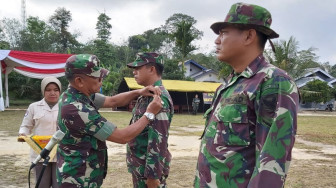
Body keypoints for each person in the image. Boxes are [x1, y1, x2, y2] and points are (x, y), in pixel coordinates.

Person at [194, 3, 299, 188]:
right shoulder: (229, 84)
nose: (217, 41)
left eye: (224, 32)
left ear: (249, 36)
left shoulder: (273, 82)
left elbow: (272, 160)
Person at [56, 54, 163, 188]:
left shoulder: (77, 95)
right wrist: (149, 114)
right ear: (79, 81)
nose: (101, 80)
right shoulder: (76, 109)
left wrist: (139, 92)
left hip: (83, 174)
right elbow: (122, 136)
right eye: (97, 77)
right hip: (77, 179)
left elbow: (112, 100)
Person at [126, 52, 174, 188]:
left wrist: (153, 175)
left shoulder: (159, 98)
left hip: (147, 171)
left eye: (138, 68)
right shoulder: (146, 94)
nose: (134, 72)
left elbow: (158, 139)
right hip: (140, 165)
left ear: (152, 69)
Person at [19, 76, 62, 188]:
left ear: (60, 91)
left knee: (59, 185)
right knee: (42, 184)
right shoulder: (33, 107)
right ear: (43, 91)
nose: (52, 93)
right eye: (48, 90)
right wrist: (23, 133)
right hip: (40, 152)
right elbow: (25, 126)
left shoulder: (66, 106)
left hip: (61, 153)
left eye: (56, 90)